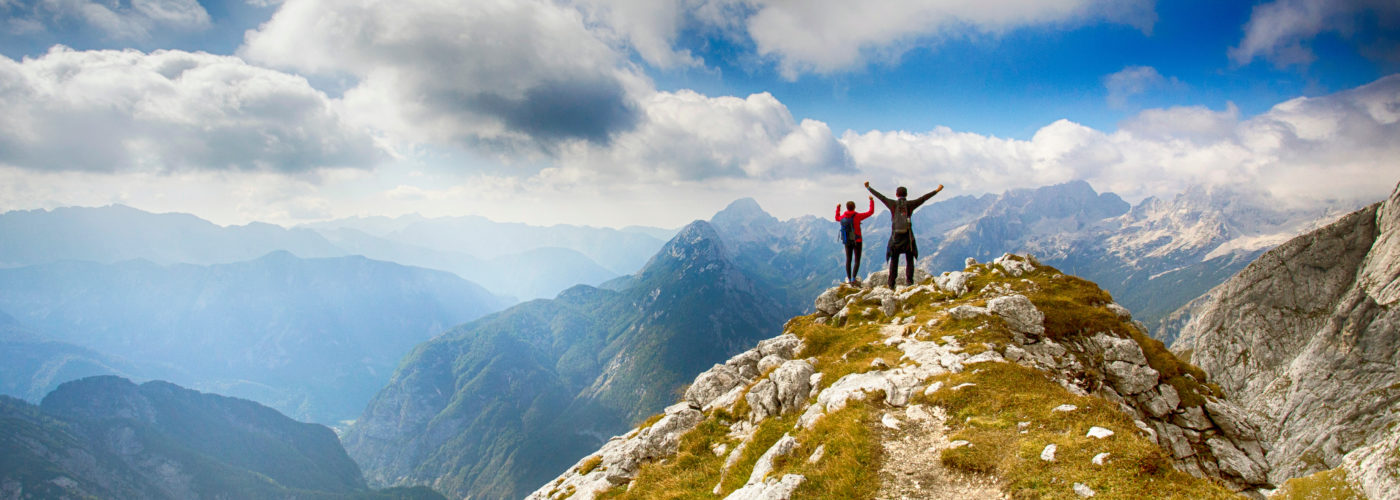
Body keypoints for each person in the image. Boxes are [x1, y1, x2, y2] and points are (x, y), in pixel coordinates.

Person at [866, 181, 944, 290]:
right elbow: (924, 198)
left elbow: (881, 197)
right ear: (906, 195)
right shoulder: (910, 205)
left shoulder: (892, 204)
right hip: (908, 237)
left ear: (897, 195)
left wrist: (869, 187)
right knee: (909, 259)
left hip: (895, 238)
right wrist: (937, 190)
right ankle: (909, 282)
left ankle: (891, 284)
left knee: (894, 260)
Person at [836, 196, 876, 285]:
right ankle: (854, 278)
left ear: (847, 207)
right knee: (857, 260)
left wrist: (838, 207)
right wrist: (871, 200)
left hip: (847, 241)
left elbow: (836, 217)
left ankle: (849, 279)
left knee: (848, 260)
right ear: (854, 207)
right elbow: (870, 212)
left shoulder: (842, 217)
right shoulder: (857, 216)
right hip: (857, 241)